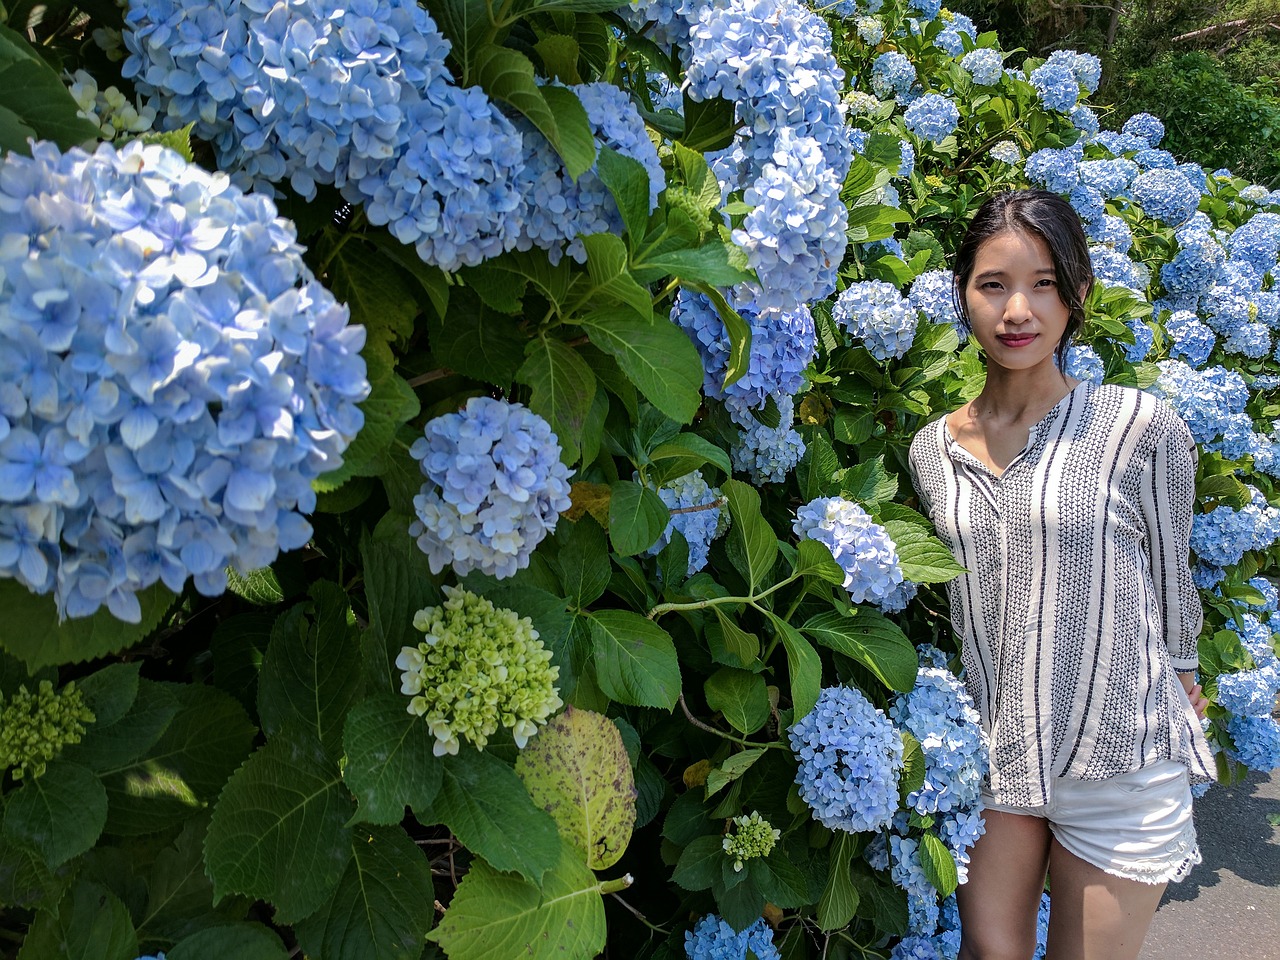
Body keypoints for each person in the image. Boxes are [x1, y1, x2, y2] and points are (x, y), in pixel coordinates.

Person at [907, 189, 1215, 960]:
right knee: (990, 951)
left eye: (1044, 284)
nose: (1019, 310)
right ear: (963, 295)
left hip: (1117, 757)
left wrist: (1182, 674)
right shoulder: (928, 451)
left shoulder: (1139, 426)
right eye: (993, 285)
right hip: (999, 747)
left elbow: (1174, 589)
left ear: (1077, 295)